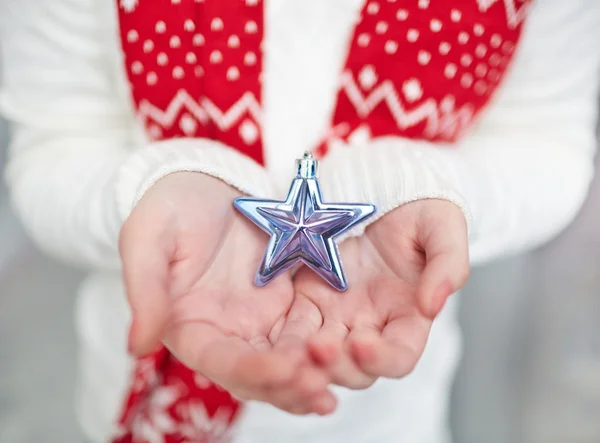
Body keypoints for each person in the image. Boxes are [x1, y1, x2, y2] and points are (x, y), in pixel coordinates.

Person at [1, 0, 599, 442]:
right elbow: (54, 145)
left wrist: (423, 189)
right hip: (135, 391)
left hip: (387, 416)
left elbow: (547, 143)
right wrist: (149, 192)